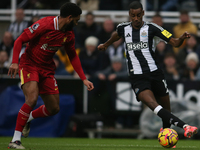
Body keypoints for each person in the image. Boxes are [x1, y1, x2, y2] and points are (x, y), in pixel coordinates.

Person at [98, 1, 198, 142]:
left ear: (143, 13)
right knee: (153, 105)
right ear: (129, 15)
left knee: (166, 111)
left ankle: (167, 139)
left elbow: (174, 43)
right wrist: (106, 44)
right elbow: (116, 35)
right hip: (138, 77)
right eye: (133, 15)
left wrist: (181, 39)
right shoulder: (123, 28)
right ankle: (185, 126)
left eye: (139, 15)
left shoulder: (152, 28)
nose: (136, 18)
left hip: (155, 73)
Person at [7, 2, 94, 149]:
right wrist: (15, 62)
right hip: (29, 65)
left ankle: (29, 117)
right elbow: (19, 40)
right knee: (32, 98)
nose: (77, 23)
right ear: (69, 18)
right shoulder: (44, 24)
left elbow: (72, 56)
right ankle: (15, 140)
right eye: (77, 20)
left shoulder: (69, 34)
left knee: (54, 108)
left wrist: (83, 78)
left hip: (47, 69)